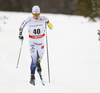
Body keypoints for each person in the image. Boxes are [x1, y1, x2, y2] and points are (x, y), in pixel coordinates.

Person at [19, 5, 53, 85]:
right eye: (35, 15)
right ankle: (32, 76)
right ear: (32, 13)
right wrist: (20, 35)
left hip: (41, 41)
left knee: (40, 57)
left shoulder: (43, 18)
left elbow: (51, 26)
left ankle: (38, 63)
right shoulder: (28, 20)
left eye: (38, 14)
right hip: (32, 41)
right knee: (33, 58)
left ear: (40, 13)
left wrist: (48, 22)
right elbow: (21, 27)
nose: (36, 16)